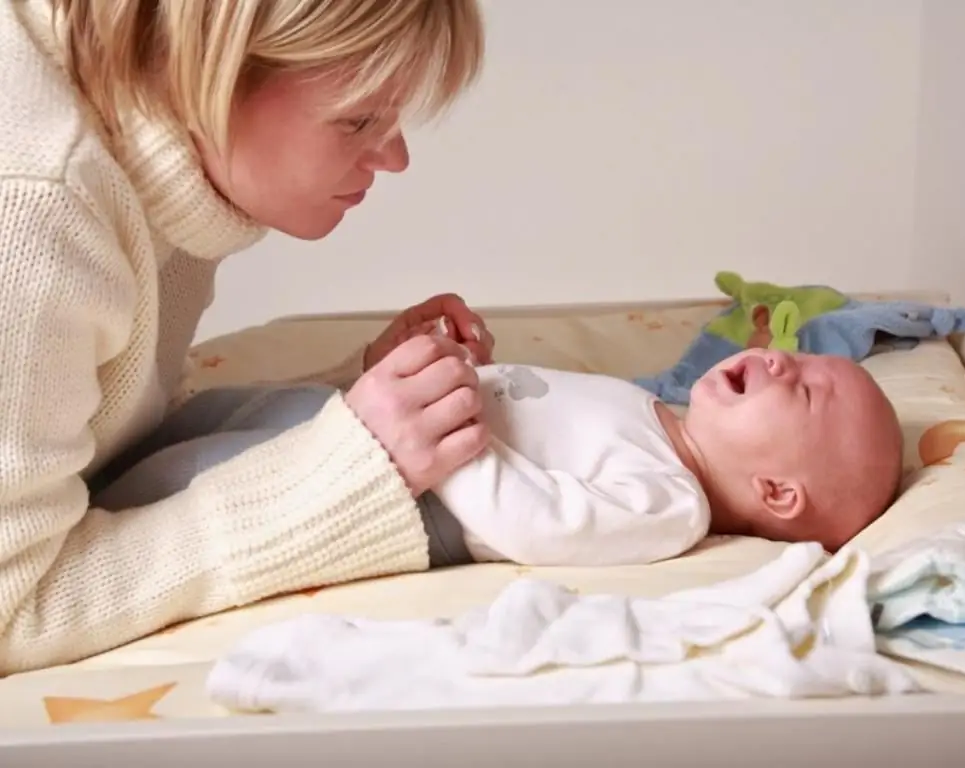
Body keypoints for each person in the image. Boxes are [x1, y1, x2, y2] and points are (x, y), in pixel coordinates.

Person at [0, 0, 491, 674]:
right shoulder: (34, 200)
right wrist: (343, 474)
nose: (395, 156)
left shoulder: (161, 143)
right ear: (215, 70)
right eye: (359, 120)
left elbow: (101, 446)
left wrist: (349, 399)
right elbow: (11, 610)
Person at [94, 346, 905, 575]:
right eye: (793, 354)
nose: (775, 359)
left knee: (191, 479)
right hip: (383, 421)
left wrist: (444, 441)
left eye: (801, 391)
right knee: (204, 419)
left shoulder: (670, 504)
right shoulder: (657, 411)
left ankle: (85, 520)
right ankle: (86, 469)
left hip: (405, 487)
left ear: (775, 491)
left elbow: (532, 524)